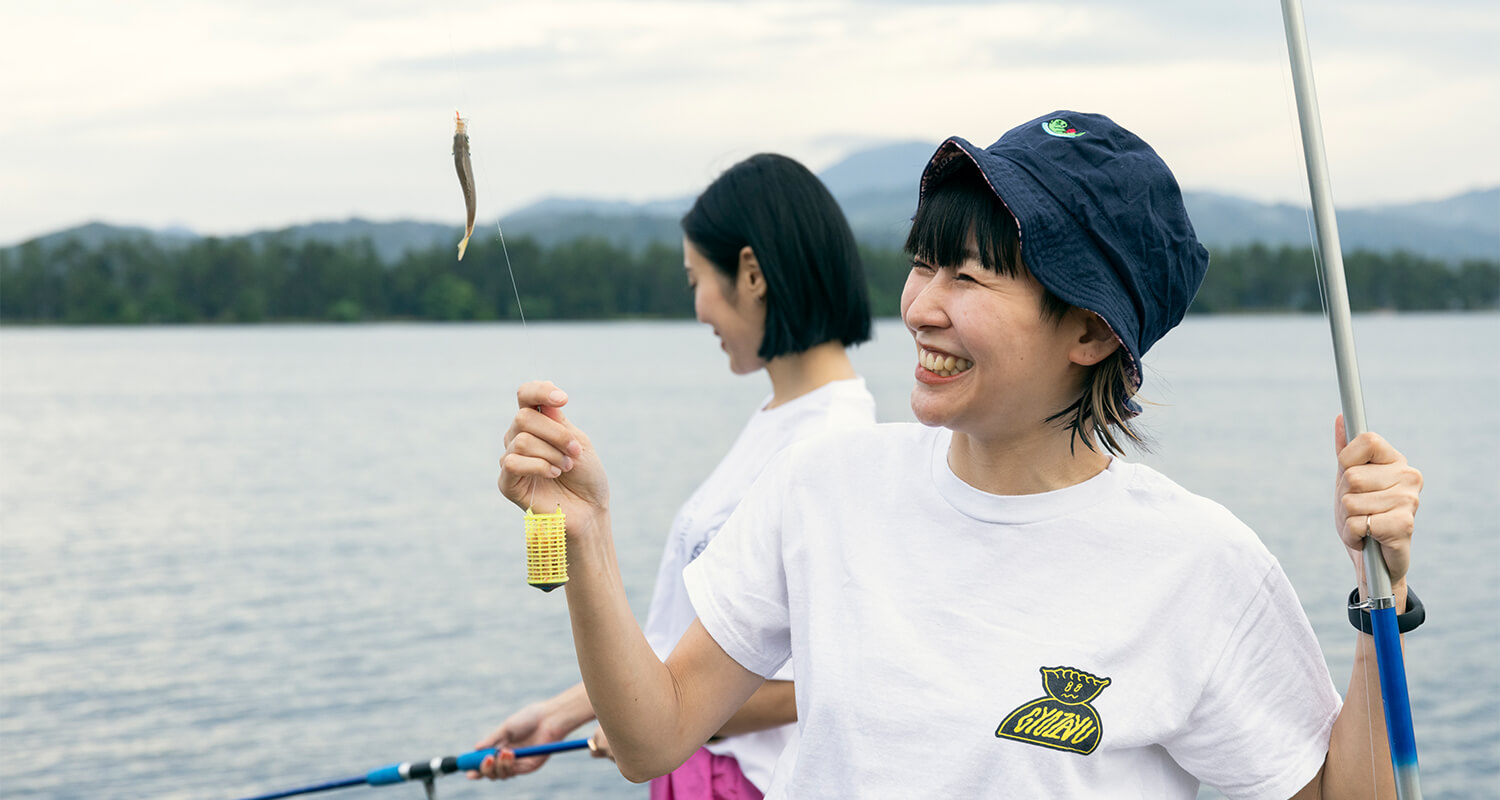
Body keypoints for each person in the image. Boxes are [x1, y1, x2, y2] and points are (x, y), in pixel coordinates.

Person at [495, 112, 1424, 799]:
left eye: (969, 277)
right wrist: (587, 540)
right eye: (922, 263)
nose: (920, 307)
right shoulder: (825, 486)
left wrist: (1376, 601)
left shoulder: (1202, 564)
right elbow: (654, 734)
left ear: (1092, 332)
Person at [472, 153, 877, 798]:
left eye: (696, 280)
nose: (697, 309)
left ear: (750, 273)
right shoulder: (779, 420)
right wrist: (563, 713)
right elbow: (701, 642)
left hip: (745, 780)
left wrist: (654, 721)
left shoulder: (836, 442)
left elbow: (832, 677)